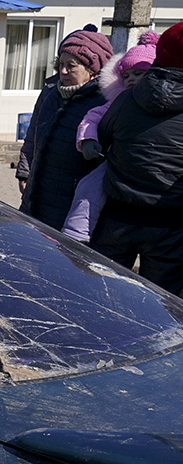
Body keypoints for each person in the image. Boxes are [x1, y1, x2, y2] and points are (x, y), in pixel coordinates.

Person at [90, 21, 183, 295]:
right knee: (164, 305)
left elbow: (103, 137)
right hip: (172, 223)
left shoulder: (126, 99)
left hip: (118, 215)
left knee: (105, 293)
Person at [61, 31, 159, 242]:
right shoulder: (119, 101)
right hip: (118, 160)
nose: (131, 79)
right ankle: (75, 234)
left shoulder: (165, 103)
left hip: (156, 173)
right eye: (127, 75)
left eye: (139, 73)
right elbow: (92, 117)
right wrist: (88, 140)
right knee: (89, 187)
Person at [15, 26, 112, 230]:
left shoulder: (104, 103)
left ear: (92, 69)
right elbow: (32, 135)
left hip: (73, 202)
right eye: (61, 64)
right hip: (37, 194)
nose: (63, 71)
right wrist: (25, 171)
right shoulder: (51, 93)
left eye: (72, 65)